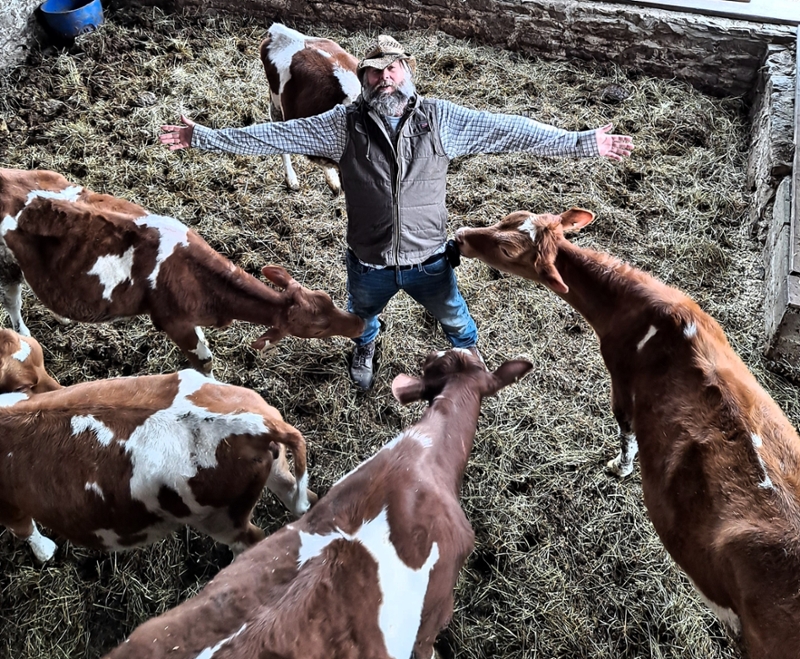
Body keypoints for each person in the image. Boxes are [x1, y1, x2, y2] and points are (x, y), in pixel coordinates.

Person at [160, 35, 633, 390]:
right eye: (373, 71)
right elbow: (273, 136)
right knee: (362, 317)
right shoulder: (342, 125)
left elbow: (510, 130)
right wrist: (203, 137)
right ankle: (365, 350)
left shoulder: (441, 119)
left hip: (430, 260)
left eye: (394, 68)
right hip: (370, 262)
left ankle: (470, 361)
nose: (384, 77)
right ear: (362, 80)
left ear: (407, 73)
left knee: (456, 318)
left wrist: (581, 143)